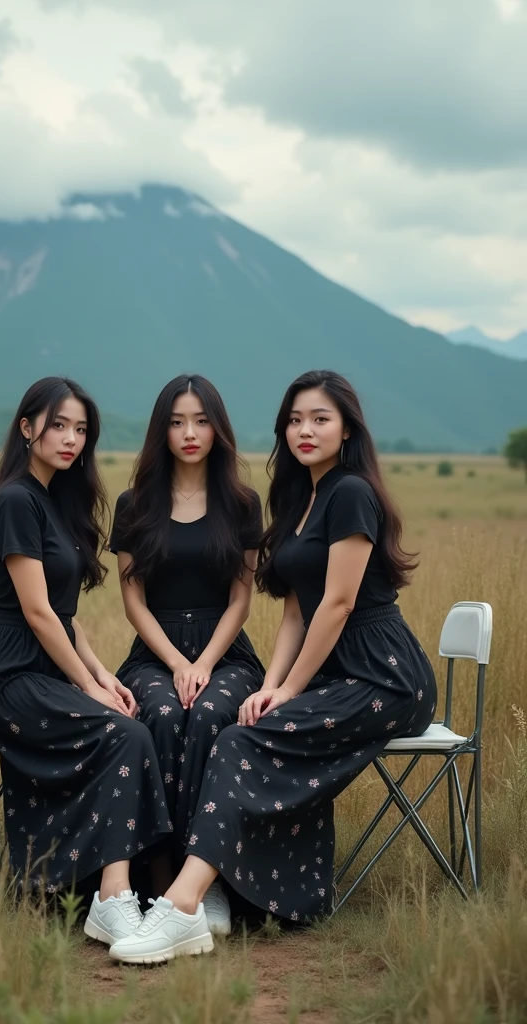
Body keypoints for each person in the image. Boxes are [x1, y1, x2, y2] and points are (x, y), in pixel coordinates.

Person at [109, 369, 438, 964]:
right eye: (295, 419)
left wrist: (288, 690)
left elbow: (335, 607)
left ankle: (185, 905)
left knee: (237, 740)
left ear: (348, 429)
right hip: (337, 672)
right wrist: (273, 686)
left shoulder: (352, 493)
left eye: (320, 419)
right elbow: (294, 612)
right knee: (242, 730)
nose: (305, 430)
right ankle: (196, 897)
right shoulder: (301, 498)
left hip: (383, 673)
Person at [0, 376, 171, 946]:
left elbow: (65, 616)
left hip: (48, 664)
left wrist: (104, 675)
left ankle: (129, 884)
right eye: (58, 425)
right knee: (123, 734)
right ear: (27, 428)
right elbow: (36, 612)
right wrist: (91, 687)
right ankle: (112, 897)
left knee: (138, 718)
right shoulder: (14, 499)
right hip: (7, 673)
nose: (70, 438)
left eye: (80, 429)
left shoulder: (54, 501)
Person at [110, 374, 264, 935]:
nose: (190, 432)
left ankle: (211, 886)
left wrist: (204, 663)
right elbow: (132, 599)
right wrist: (177, 661)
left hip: (227, 651)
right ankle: (160, 879)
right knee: (165, 713)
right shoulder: (134, 504)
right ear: (161, 430)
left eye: (200, 420)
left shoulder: (243, 503)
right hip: (156, 649)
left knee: (209, 716)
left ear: (217, 428)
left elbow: (242, 598)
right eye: (177, 422)